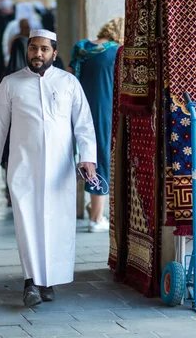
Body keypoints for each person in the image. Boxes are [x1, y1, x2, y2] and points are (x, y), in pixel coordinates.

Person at [0, 29, 97, 307]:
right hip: (23, 168)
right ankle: (31, 282)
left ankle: (48, 281)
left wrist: (87, 158)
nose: (38, 54)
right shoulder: (10, 83)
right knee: (28, 224)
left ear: (54, 53)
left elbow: (83, 124)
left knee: (57, 224)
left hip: (60, 169)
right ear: (27, 50)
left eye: (44, 49)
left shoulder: (69, 82)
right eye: (33, 48)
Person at [69, 17, 124, 233]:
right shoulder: (115, 52)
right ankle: (96, 218)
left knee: (79, 155)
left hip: (77, 108)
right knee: (100, 157)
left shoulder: (81, 49)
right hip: (103, 109)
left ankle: (85, 208)